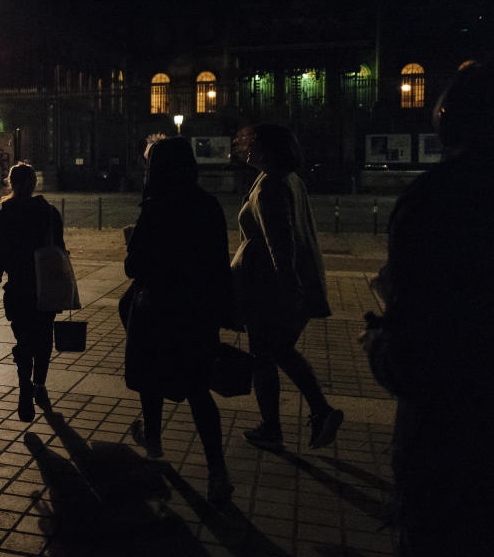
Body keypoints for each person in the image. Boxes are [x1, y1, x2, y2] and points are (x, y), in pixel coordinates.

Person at [360, 64, 494, 556]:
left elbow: (418, 355)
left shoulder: (439, 199)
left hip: (453, 443)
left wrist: (380, 338)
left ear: (446, 119)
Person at [123, 137, 234, 504]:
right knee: (199, 391)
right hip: (198, 310)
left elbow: (134, 267)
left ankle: (154, 449)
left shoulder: (155, 208)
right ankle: (217, 471)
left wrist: (132, 243)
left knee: (152, 383)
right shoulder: (208, 205)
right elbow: (219, 262)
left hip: (158, 309)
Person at [231, 123, 343, 452]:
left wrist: (287, 289)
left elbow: (281, 243)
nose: (243, 146)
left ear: (265, 148)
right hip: (290, 285)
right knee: (281, 351)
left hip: (270, 289)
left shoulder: (270, 187)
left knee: (263, 357)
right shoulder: (288, 179)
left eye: (249, 142)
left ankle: (273, 427)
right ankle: (321, 411)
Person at [0, 161, 64, 422]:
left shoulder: (5, 214)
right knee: (43, 336)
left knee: (23, 339)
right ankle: (39, 384)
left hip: (18, 286)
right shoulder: (50, 213)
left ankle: (23, 386)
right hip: (45, 286)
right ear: (34, 184)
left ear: (11, 183)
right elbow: (60, 250)